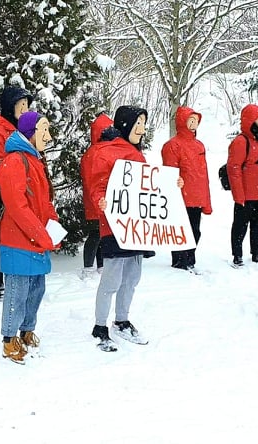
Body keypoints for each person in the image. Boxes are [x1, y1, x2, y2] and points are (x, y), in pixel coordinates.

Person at [88, 106, 170, 350]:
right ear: (125, 125)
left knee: (132, 277)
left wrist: (171, 184)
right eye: (138, 123)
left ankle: (122, 320)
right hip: (115, 225)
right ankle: (100, 325)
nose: (142, 129)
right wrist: (100, 200)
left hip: (137, 226)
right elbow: (98, 184)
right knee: (112, 278)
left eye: (144, 124)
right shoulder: (107, 152)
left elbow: (149, 186)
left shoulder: (136, 153)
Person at [0, 111, 58, 364]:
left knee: (36, 288)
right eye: (44, 130)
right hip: (18, 239)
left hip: (36, 238)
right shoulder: (14, 161)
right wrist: (42, 234)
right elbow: (17, 206)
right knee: (17, 291)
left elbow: (44, 202)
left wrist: (54, 228)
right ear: (30, 132)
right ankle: (9, 339)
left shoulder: (35, 160)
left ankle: (27, 329)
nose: (48, 136)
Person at [0, 86, 32, 299]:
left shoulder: (25, 127)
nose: (24, 109)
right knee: (0, 235)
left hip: (24, 186)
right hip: (3, 186)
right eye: (20, 105)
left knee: (20, 233)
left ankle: (18, 277)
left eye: (27, 105)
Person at [161, 105, 212, 274]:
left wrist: (205, 197)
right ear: (182, 122)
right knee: (181, 230)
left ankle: (190, 258)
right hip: (181, 196)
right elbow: (169, 172)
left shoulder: (199, 145)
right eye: (190, 120)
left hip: (196, 195)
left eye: (196, 120)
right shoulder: (172, 145)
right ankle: (180, 261)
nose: (194, 123)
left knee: (195, 231)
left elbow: (202, 174)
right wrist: (174, 185)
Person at [226, 104, 258, 267]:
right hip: (245, 195)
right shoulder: (241, 141)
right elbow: (234, 169)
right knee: (240, 226)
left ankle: (256, 253)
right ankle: (237, 255)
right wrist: (239, 195)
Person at [79, 112, 113, 280]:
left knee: (100, 233)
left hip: (100, 199)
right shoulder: (93, 153)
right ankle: (88, 267)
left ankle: (100, 265)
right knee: (95, 234)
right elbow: (91, 178)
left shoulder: (96, 152)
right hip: (96, 199)